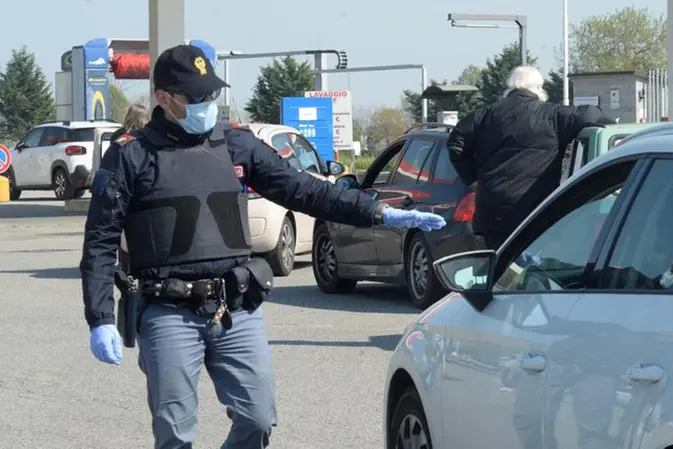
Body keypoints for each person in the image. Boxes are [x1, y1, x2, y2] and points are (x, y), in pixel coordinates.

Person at [80, 44, 445, 449]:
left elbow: (304, 190)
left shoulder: (237, 146)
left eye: (211, 94)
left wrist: (376, 212)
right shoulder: (131, 156)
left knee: (257, 419)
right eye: (194, 97)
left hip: (235, 308)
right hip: (168, 312)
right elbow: (100, 241)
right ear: (163, 98)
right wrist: (100, 318)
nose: (206, 104)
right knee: (175, 434)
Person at [447, 65, 616, 250]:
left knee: (497, 265)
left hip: (492, 210)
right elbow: (592, 115)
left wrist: (473, 178)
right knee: (530, 267)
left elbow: (456, 143)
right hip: (534, 210)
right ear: (538, 88)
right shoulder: (553, 115)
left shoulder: (484, 115)